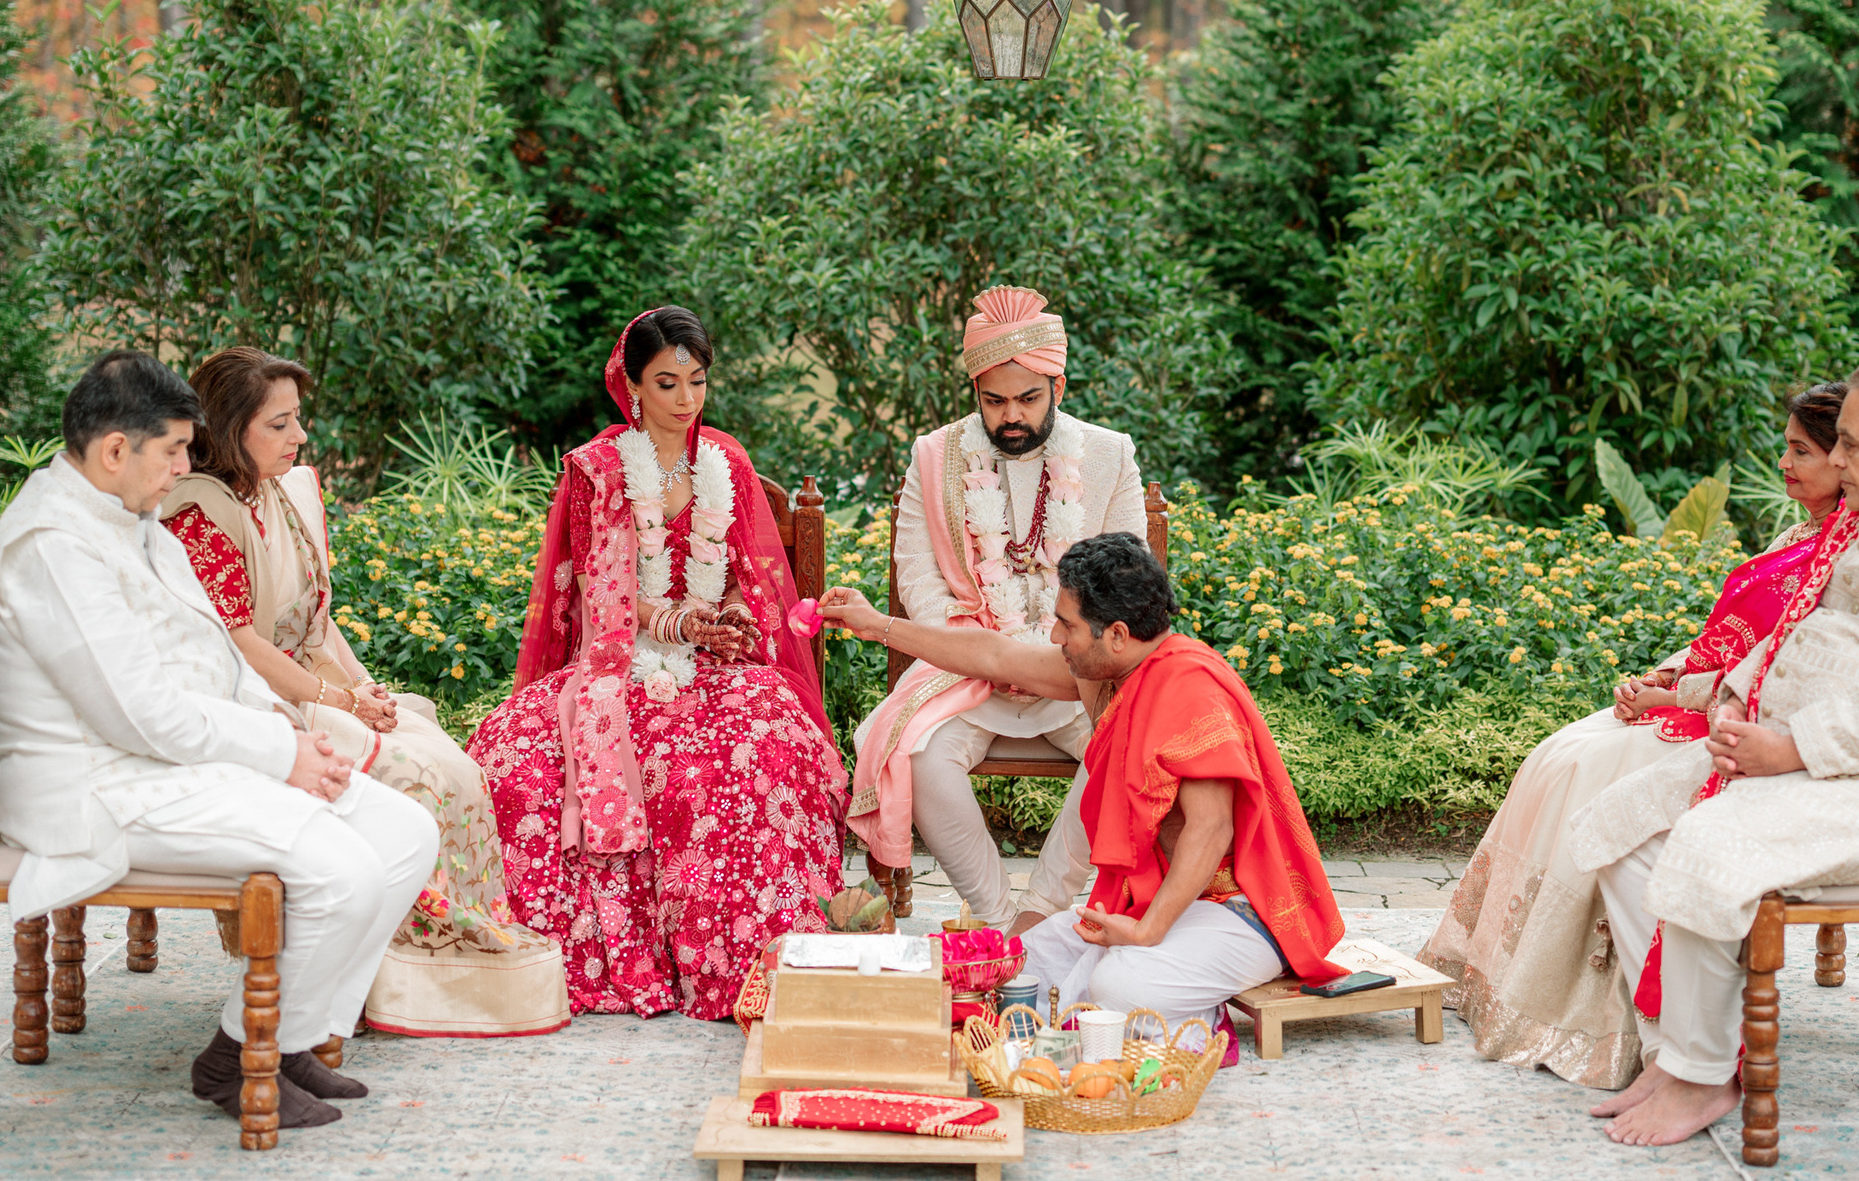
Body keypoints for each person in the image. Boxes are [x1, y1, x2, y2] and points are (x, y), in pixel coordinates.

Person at [1566, 359, 1859, 1147]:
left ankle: (1698, 1076)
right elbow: (1798, 631)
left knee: (1712, 840)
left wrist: (1791, 747)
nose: (1839, 460)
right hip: (1828, 761)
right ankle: (1683, 1056)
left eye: (1851, 445)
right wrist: (1723, 697)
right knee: (1622, 824)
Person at [0, 350, 436, 1130]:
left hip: (171, 760)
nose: (189, 466)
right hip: (97, 786)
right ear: (116, 449)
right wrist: (280, 755)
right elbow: (141, 714)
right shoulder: (52, 544)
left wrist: (294, 735)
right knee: (343, 869)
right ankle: (235, 1057)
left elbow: (216, 653)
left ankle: (288, 1041)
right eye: (175, 450)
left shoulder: (130, 515)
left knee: (405, 832)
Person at [1416, 383, 1859, 1088]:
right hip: (1701, 698)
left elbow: (1776, 669)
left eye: (1800, 450)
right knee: (1555, 755)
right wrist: (1658, 673)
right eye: (1785, 445)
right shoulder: (1800, 534)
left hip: (1745, 724)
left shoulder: (1850, 554)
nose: (1784, 461)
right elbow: (1723, 638)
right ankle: (1496, 977)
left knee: (1589, 772)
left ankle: (1593, 1019)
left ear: (1847, 459)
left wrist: (1671, 694)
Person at [161, 347, 569, 1038]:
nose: (300, 436)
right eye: (281, 424)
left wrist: (364, 687)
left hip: (302, 686)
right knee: (410, 773)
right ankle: (407, 978)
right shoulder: (200, 514)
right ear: (232, 429)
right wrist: (342, 703)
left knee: (447, 758)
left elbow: (312, 621)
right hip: (250, 702)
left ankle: (435, 958)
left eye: (298, 420)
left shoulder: (270, 497)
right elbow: (241, 645)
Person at [467, 306, 850, 1020]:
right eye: (666, 382)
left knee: (758, 749)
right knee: (514, 764)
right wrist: (677, 621)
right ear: (632, 387)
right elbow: (600, 596)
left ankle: (750, 957)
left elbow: (746, 574)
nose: (685, 398)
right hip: (619, 661)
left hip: (711, 667)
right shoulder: (600, 470)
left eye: (697, 380)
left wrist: (731, 616)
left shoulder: (725, 462)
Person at [820, 532, 1346, 1028]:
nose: (1054, 636)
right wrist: (876, 625)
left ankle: (1191, 1014)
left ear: (1116, 634)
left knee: (1118, 983)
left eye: (1066, 625)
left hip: (1241, 912)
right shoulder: (1112, 671)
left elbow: (1211, 829)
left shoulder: (1189, 687)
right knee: (1024, 960)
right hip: (1165, 902)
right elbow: (994, 655)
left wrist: (1147, 931)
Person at [848, 285, 1147, 933]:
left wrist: (1047, 657)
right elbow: (923, 587)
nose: (1010, 414)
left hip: (1075, 673)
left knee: (1128, 745)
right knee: (919, 755)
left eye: (1028, 398)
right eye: (994, 399)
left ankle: (1040, 911)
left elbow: (1123, 581)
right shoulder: (935, 457)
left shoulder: (1108, 454)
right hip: (968, 668)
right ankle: (995, 915)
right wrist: (994, 653)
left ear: (1058, 387)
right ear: (975, 391)